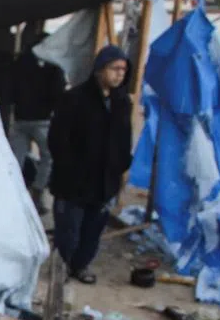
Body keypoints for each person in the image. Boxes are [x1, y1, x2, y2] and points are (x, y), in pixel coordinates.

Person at [47, 44, 134, 285]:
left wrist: (122, 165)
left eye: (123, 69)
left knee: (93, 230)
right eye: (114, 68)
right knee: (68, 230)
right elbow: (57, 138)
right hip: (73, 181)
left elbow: (124, 138)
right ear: (99, 70)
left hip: (104, 181)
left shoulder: (121, 102)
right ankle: (61, 267)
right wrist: (68, 166)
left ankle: (80, 266)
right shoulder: (74, 99)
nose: (119, 74)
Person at [9, 31, 67, 214]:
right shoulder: (53, 65)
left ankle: (12, 195)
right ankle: (37, 193)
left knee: (14, 160)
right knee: (48, 158)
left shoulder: (20, 62)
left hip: (20, 118)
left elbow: (9, 88)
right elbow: (58, 92)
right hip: (42, 119)